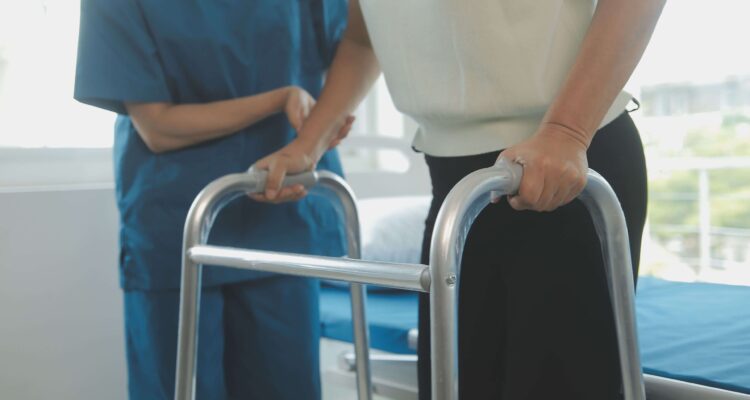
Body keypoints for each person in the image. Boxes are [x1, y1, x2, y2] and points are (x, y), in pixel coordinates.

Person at [254, 0, 665, 399]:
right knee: (458, 385)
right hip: (455, 187)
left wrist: (567, 131)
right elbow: (363, 40)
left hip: (564, 168)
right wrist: (308, 145)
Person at [73, 0, 352, 398]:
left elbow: (358, 44)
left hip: (278, 224)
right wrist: (279, 99)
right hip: (180, 222)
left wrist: (315, 137)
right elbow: (158, 127)